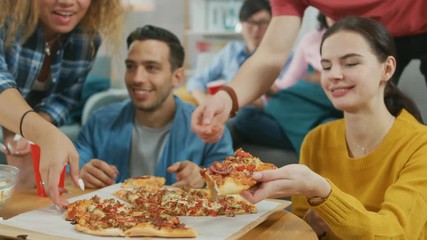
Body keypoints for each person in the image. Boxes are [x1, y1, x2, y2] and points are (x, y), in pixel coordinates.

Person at [241, 17, 427, 239]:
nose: (334, 75)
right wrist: (314, 221)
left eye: (350, 63)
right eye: (326, 66)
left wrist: (322, 192)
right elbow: (301, 228)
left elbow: (397, 233)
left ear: (387, 69)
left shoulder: (420, 145)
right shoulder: (316, 140)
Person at [191, 0, 427, 144]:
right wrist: (227, 97)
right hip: (361, 39)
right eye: (326, 67)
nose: (333, 74)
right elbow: (271, 54)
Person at [75, 25, 234, 189]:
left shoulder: (209, 130)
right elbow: (69, 171)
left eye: (151, 67)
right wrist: (82, 173)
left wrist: (204, 178)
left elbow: (230, 184)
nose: (137, 78)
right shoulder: (99, 121)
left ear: (177, 76)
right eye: (131, 66)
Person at [0, 0, 123, 207]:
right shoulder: (5, 21)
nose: (67, 1)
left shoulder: (86, 40)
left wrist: (25, 135)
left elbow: (65, 100)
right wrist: (44, 133)